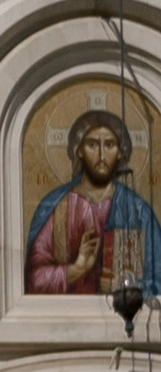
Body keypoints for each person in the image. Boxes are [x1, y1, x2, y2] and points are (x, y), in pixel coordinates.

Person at [26, 108, 161, 297]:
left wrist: (128, 287)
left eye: (109, 145)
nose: (101, 155)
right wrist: (76, 270)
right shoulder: (56, 206)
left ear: (121, 153)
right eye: (92, 144)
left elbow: (158, 277)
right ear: (79, 150)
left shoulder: (139, 212)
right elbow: (34, 279)